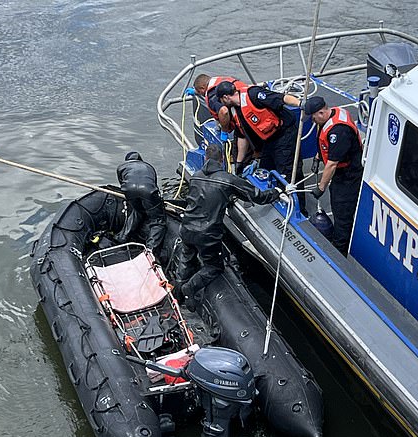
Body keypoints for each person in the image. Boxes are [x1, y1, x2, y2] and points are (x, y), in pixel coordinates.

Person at [176, 144, 279, 311]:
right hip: (207, 234)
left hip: (187, 227)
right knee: (214, 266)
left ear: (205, 159)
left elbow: (202, 199)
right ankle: (191, 287)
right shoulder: (228, 180)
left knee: (187, 258)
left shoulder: (195, 177)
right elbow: (256, 196)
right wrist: (275, 193)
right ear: (222, 159)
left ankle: (177, 293)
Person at [215, 80, 307, 214]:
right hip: (269, 140)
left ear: (225, 97)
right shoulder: (235, 110)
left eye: (221, 101)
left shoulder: (253, 95)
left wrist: (300, 104)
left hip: (284, 134)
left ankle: (298, 209)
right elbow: (242, 136)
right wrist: (239, 163)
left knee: (286, 171)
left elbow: (281, 99)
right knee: (265, 168)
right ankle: (273, 199)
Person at [305, 96, 363, 256]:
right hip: (343, 171)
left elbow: (332, 164)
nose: (313, 120)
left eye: (314, 116)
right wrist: (318, 156)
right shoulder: (337, 112)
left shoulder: (338, 131)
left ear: (322, 112)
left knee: (342, 211)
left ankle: (340, 251)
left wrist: (321, 187)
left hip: (349, 175)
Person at [114, 151, 166, 254]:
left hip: (129, 189)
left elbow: (122, 182)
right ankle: (151, 249)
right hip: (147, 190)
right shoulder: (148, 166)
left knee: (137, 210)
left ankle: (122, 237)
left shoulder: (121, 167)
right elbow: (154, 185)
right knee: (158, 220)